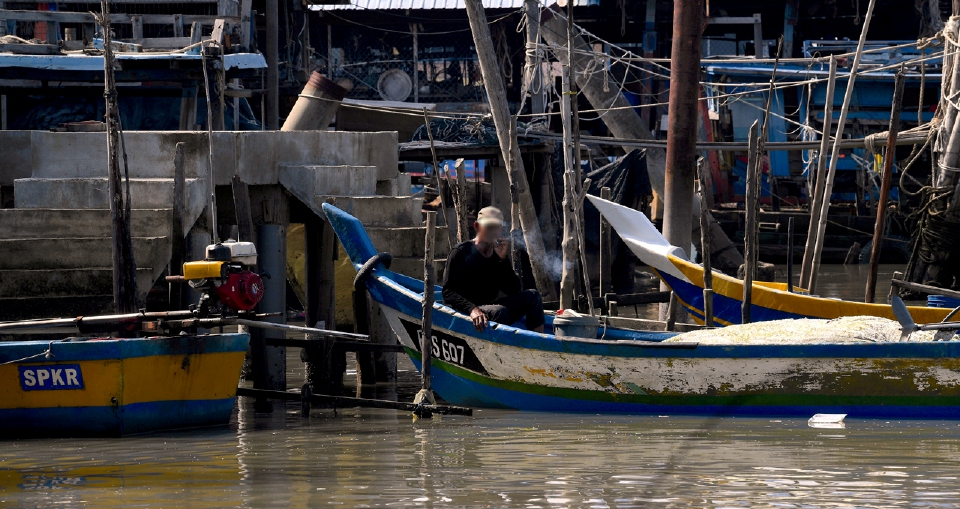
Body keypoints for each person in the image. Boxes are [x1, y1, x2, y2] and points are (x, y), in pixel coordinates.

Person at [442, 206, 545, 333]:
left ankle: (537, 342)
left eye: (497, 227)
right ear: (477, 227)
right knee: (500, 312)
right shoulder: (461, 252)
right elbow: (448, 292)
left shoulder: (497, 254)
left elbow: (513, 290)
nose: (493, 232)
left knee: (533, 296)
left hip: (489, 307)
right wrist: (472, 309)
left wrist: (503, 260)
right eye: (489, 227)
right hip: (465, 309)